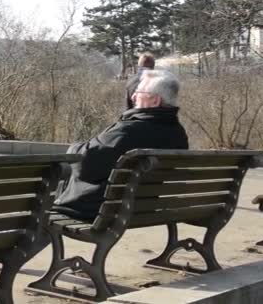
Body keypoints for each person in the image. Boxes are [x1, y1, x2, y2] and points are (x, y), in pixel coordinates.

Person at [54, 70, 188, 220]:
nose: (133, 96)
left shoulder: (128, 131)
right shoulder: (179, 134)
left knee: (41, 206)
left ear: (155, 100)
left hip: (98, 211)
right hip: (143, 211)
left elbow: (84, 165)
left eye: (139, 91)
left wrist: (74, 147)